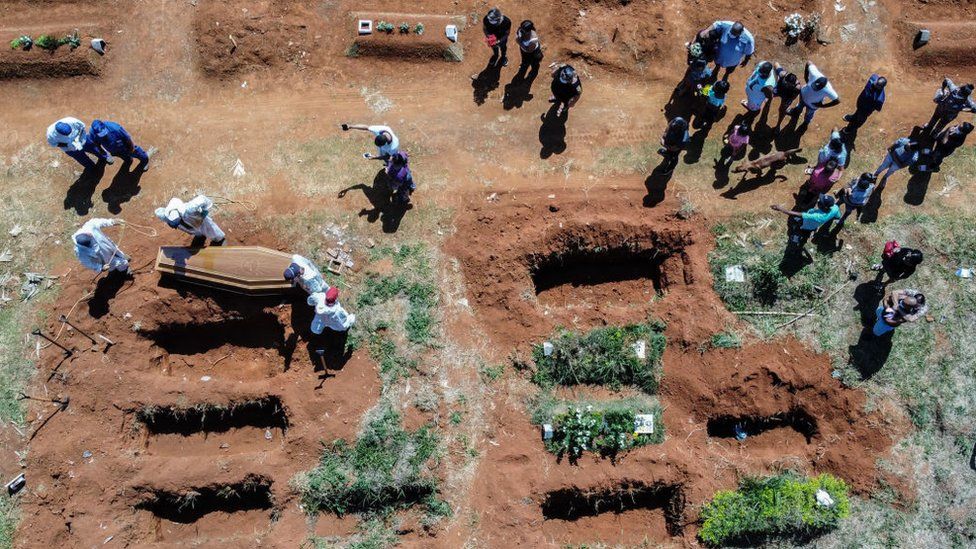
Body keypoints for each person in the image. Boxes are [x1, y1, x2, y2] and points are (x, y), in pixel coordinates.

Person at [771, 194, 842, 246]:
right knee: (804, 223)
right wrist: (829, 217)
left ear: (823, 206)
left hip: (806, 225)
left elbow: (797, 214)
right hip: (813, 224)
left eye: (820, 202)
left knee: (798, 229)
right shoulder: (834, 208)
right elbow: (838, 216)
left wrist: (780, 208)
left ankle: (795, 241)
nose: (818, 201)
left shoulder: (818, 216)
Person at [154, 195, 225, 245]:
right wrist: (171, 223)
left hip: (199, 220)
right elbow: (157, 212)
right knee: (195, 232)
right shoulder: (166, 215)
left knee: (211, 230)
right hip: (187, 226)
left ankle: (219, 239)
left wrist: (204, 210)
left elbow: (202, 199)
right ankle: (200, 236)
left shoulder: (189, 208)